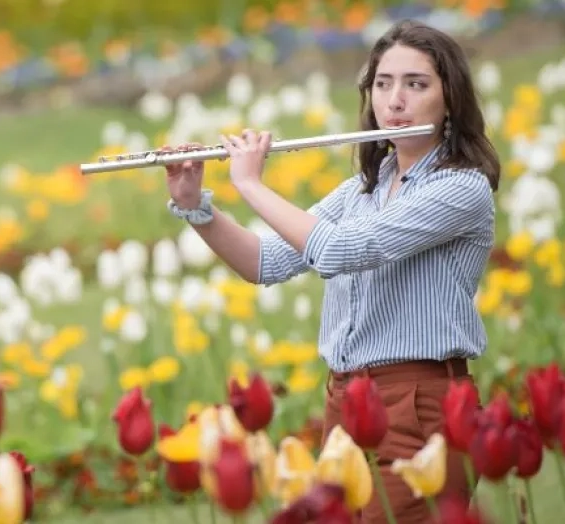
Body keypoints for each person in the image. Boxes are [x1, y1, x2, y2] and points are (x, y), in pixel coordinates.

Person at [163, 19, 501, 523]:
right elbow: (265, 261)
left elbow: (342, 250)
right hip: (348, 402)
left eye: (416, 84)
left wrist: (251, 185)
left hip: (418, 403)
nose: (395, 101)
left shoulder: (460, 189)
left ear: (450, 96)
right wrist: (196, 207)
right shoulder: (363, 188)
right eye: (383, 84)